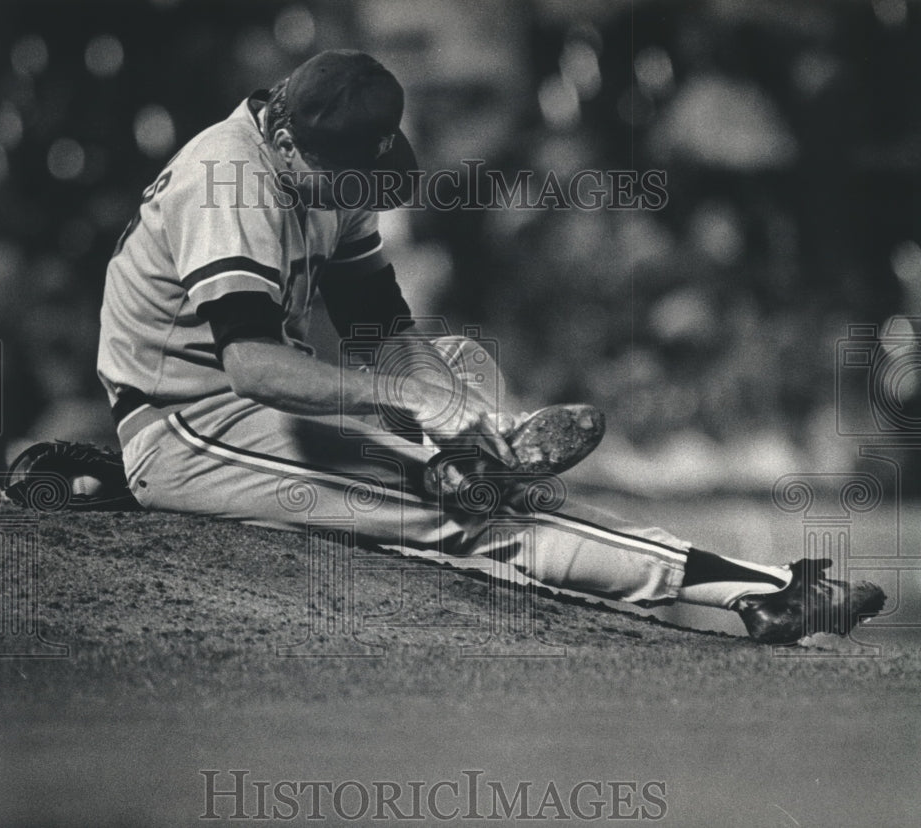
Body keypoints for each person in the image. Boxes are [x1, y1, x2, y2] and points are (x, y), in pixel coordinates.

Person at [96, 49, 884, 645]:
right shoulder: (224, 179)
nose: (349, 196)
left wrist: (451, 409)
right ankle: (763, 588)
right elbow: (249, 363)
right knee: (463, 512)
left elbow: (381, 323)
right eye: (337, 179)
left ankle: (760, 587)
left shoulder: (334, 161)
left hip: (245, 411)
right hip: (187, 424)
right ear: (283, 134)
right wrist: (405, 401)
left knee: (474, 481)